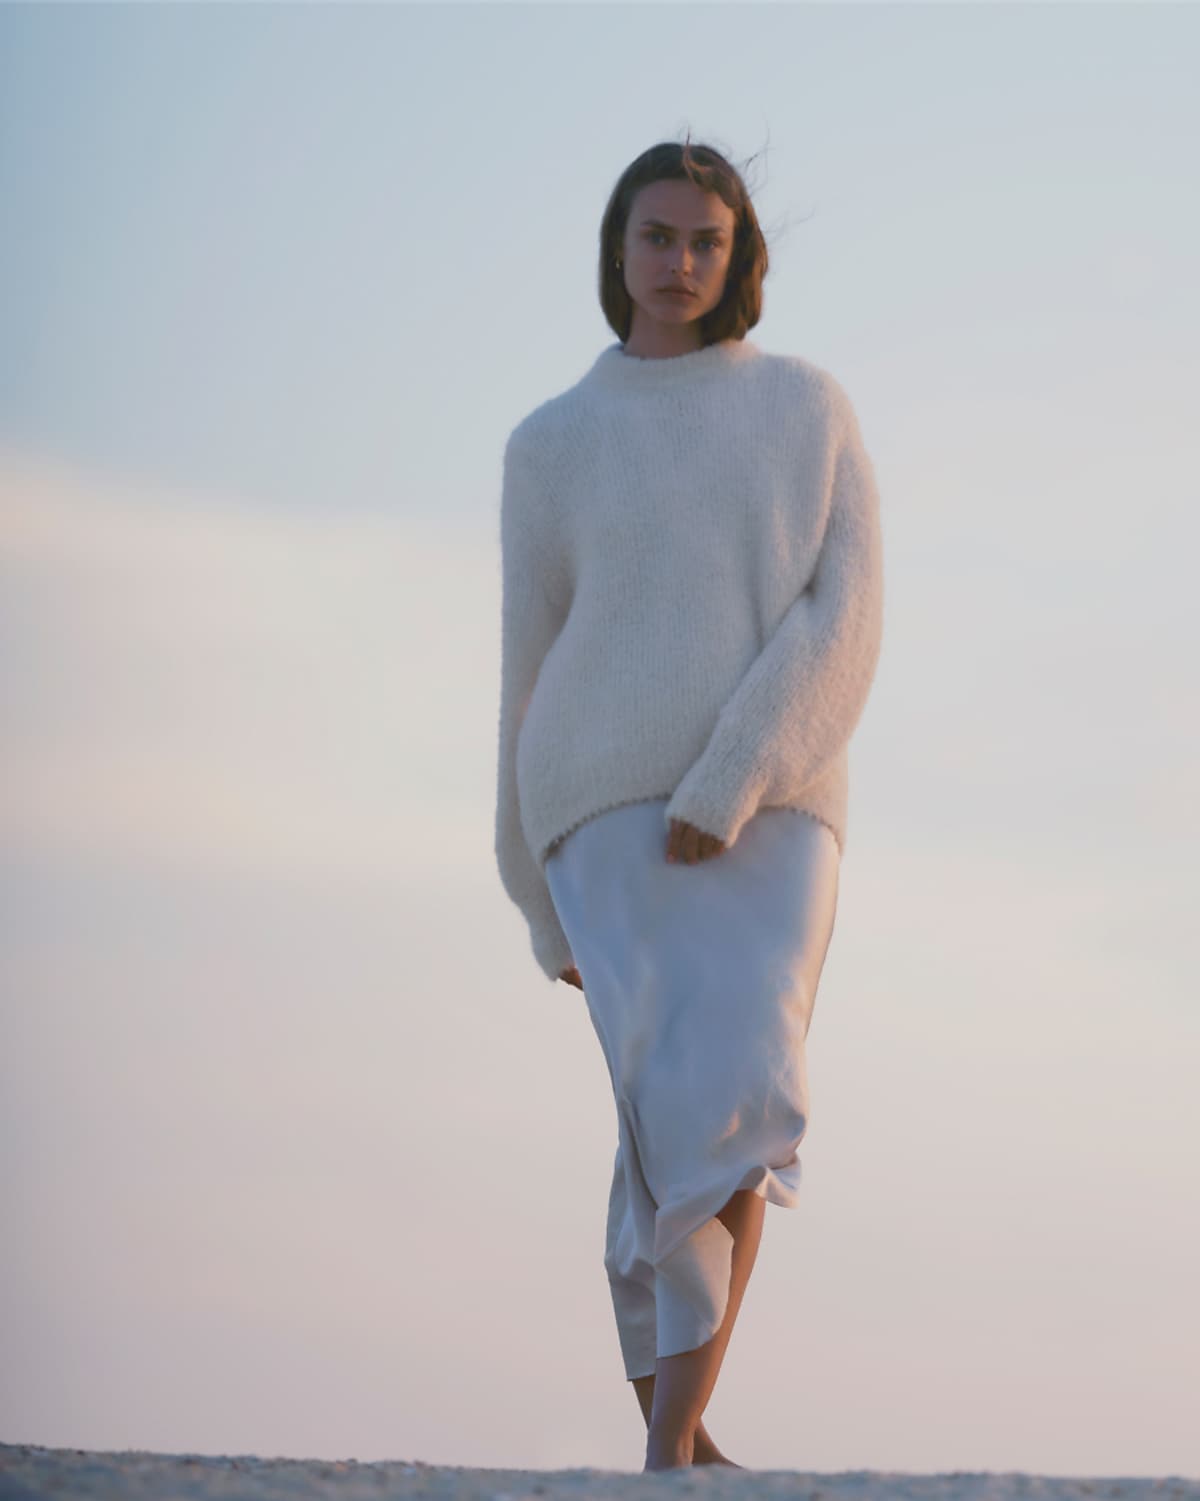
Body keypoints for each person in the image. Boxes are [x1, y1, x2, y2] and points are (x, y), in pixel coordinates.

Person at [493, 137, 885, 1472]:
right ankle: (681, 1437)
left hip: (776, 805)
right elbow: (526, 665)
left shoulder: (806, 408)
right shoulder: (548, 444)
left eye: (704, 240)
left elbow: (847, 615)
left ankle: (666, 1448)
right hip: (596, 804)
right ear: (618, 251)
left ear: (741, 257)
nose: (678, 263)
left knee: (742, 1089)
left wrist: (733, 776)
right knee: (666, 1121)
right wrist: (524, 877)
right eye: (654, 237)